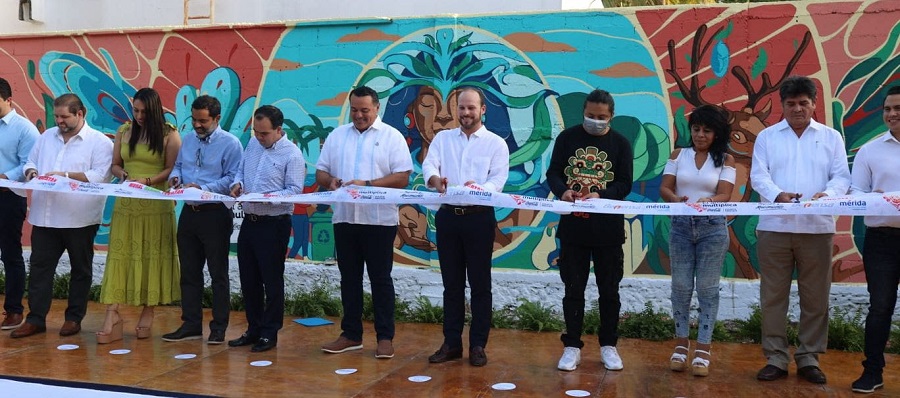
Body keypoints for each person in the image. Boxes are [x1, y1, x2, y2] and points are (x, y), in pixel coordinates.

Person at [750, 76, 850, 384]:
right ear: (782, 105)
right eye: (791, 103)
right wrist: (777, 194)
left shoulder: (831, 137)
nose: (797, 109)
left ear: (814, 104)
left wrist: (828, 196)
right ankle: (776, 358)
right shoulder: (767, 137)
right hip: (774, 227)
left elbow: (841, 178)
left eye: (803, 103)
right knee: (773, 296)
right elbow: (758, 176)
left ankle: (809, 357)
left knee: (816, 297)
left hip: (817, 228)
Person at [317, 86, 412, 359]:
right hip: (345, 218)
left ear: (377, 108)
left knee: (380, 280)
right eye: (355, 110)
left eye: (365, 111)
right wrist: (331, 182)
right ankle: (351, 335)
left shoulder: (392, 137)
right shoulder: (337, 136)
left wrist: (368, 184)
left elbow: (402, 177)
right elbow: (322, 171)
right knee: (349, 279)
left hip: (379, 221)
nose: (359, 116)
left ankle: (385, 337)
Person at [11, 93, 113, 338]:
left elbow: (100, 176)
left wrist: (64, 175)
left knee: (80, 269)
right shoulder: (46, 137)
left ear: (80, 114)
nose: (59, 121)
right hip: (45, 216)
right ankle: (36, 319)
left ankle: (73, 318)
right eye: (56, 116)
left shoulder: (99, 142)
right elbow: (29, 162)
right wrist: (33, 171)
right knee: (39, 269)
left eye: (64, 116)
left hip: (79, 218)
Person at [546, 89, 633, 372]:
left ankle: (609, 346)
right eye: (590, 116)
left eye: (602, 117)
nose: (595, 121)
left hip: (608, 232)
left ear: (611, 116)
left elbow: (625, 184)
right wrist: (563, 191)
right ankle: (572, 346)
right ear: (583, 111)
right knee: (573, 290)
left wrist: (602, 195)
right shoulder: (567, 138)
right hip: (573, 230)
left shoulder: (620, 144)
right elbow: (553, 173)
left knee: (610, 291)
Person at [423, 87, 509, 367]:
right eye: (462, 108)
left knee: (481, 284)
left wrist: (480, 189)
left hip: (479, 218)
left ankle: (478, 345)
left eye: (471, 108)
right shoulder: (443, 139)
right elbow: (429, 165)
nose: (466, 113)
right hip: (448, 218)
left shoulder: (496, 143)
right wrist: (435, 181)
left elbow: (498, 180)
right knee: (452, 284)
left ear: (483, 109)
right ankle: (451, 343)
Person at [96, 88, 182, 343]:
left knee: (151, 255)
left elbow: (171, 169)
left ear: (155, 110)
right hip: (126, 204)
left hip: (155, 205)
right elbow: (115, 164)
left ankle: (149, 309)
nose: (140, 115)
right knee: (121, 256)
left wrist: (147, 180)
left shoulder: (170, 134)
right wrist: (122, 175)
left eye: (145, 111)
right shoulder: (124, 131)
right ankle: (112, 314)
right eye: (136, 110)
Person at [659, 105, 736, 376]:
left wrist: (709, 201)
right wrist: (675, 200)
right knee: (680, 286)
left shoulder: (726, 160)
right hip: (680, 226)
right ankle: (681, 346)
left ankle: (703, 349)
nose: (700, 135)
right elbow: (665, 187)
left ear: (717, 133)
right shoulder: (678, 154)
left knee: (707, 288)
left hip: (713, 228)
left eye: (707, 130)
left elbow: (726, 195)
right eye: (696, 129)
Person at [162, 95, 242, 344]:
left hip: (215, 213)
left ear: (217, 119)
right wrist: (176, 178)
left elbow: (232, 178)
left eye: (203, 121)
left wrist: (203, 187)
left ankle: (218, 327)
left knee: (218, 273)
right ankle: (191, 323)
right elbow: (178, 166)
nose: (197, 125)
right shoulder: (187, 139)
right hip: (189, 213)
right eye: (194, 119)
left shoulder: (231, 144)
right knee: (188, 271)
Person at [227, 105, 305, 352]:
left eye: (264, 134)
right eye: (256, 132)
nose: (259, 138)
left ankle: (269, 333)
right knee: (249, 279)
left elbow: (294, 191)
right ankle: (254, 328)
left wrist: (266, 197)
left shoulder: (292, 155)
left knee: (271, 280)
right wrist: (238, 183)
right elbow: (240, 169)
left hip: (274, 223)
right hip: (249, 221)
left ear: (278, 130)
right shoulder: (252, 145)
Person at [848, 85, 900, 394]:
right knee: (880, 307)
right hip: (881, 240)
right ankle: (872, 371)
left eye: (898, 109)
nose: (892, 114)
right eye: (887, 109)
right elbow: (855, 192)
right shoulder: (869, 150)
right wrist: (871, 199)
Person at [0, 77, 40, 331]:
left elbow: (29, 163)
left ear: (8, 100)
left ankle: (14, 311)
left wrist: (5, 177)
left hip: (9, 196)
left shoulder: (25, 129)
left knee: (10, 253)